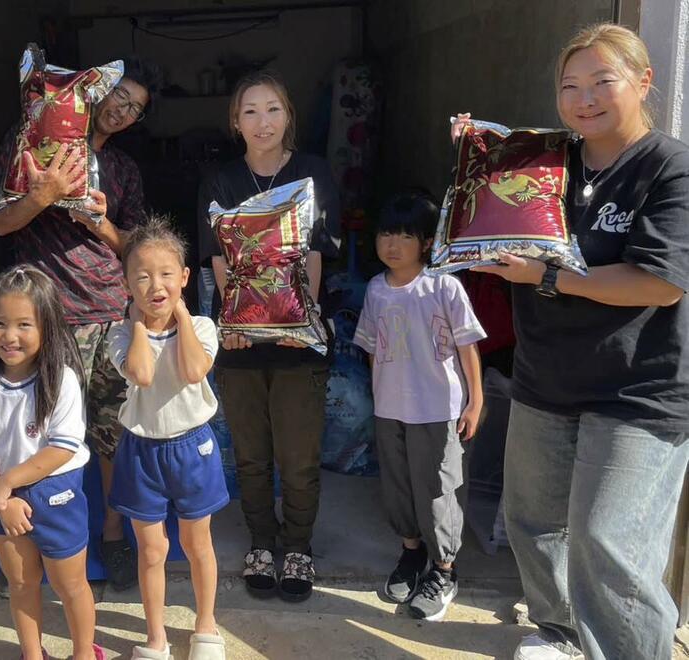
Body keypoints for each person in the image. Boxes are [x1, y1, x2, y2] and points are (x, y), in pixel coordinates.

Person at [456, 22, 689, 660]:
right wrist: (477, 149)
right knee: (533, 522)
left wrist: (549, 276)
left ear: (643, 83)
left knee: (608, 539)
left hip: (637, 391)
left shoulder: (670, 168)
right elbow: (493, 200)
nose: (584, 98)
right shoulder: (548, 158)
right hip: (543, 379)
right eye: (570, 86)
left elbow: (658, 284)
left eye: (602, 82)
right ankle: (559, 633)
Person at [0, 59, 157, 591]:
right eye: (117, 95)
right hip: (43, 317)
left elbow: (137, 245)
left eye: (134, 107)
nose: (121, 109)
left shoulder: (125, 170)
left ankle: (109, 534)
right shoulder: (29, 145)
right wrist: (43, 195)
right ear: (89, 92)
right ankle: (41, 536)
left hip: (108, 313)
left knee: (109, 435)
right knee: (38, 432)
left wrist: (97, 220)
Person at [197, 69, 341, 602]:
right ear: (235, 122)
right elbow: (218, 262)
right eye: (251, 111)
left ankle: (298, 545)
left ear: (289, 117)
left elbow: (314, 253)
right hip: (239, 344)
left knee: (299, 457)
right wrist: (230, 327)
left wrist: (295, 323)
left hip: (297, 341)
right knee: (251, 454)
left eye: (273, 109)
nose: (263, 122)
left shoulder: (312, 173)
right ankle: (262, 540)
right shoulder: (220, 183)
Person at [0, 265, 104, 660]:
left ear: (47, 327)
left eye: (24, 324)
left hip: (56, 493)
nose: (9, 336)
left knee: (70, 584)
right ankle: (32, 654)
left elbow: (62, 448)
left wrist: (7, 484)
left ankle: (83, 654)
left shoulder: (61, 380)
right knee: (21, 583)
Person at [353, 192, 485, 621]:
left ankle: (444, 569)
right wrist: (379, 394)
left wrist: (474, 401)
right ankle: (411, 554)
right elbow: (373, 348)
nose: (392, 245)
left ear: (426, 242)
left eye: (405, 236)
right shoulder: (375, 289)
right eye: (385, 234)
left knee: (436, 488)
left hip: (437, 408)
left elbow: (467, 346)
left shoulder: (443, 285)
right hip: (390, 407)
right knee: (398, 485)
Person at [106, 218, 229, 660]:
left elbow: (195, 371)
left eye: (165, 274)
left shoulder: (202, 327)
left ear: (184, 278)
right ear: (126, 285)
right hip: (142, 451)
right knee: (152, 549)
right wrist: (140, 324)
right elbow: (140, 373)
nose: (154, 285)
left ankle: (206, 625)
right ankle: (155, 635)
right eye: (141, 276)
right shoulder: (121, 334)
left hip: (192, 448)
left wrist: (179, 316)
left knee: (199, 545)